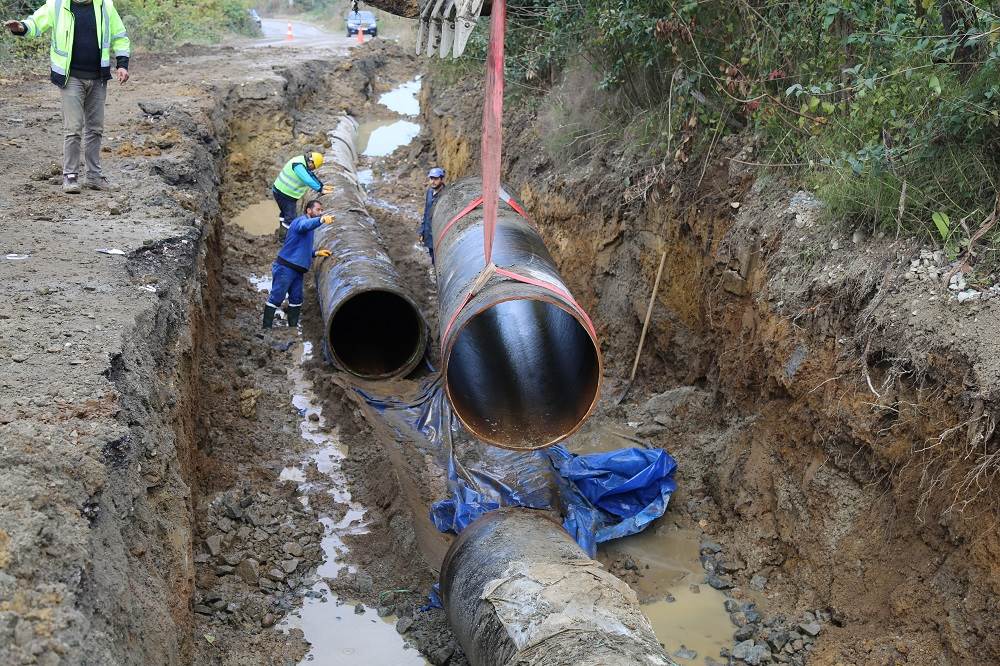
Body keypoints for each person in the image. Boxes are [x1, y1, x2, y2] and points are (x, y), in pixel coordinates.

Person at [5, 0, 131, 194]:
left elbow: (120, 35)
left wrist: (122, 64)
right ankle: (70, 176)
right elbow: (35, 23)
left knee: (95, 129)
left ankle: (94, 176)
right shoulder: (57, 4)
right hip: (70, 77)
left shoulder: (105, 5)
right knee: (73, 129)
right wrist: (21, 27)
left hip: (98, 78)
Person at [263, 199, 335, 329]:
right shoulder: (300, 222)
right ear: (308, 210)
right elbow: (304, 226)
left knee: (296, 299)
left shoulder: (309, 227)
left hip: (298, 271)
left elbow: (301, 247)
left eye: (321, 211)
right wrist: (321, 220)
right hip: (286, 267)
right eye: (318, 210)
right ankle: (266, 328)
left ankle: (292, 328)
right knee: (277, 297)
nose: (320, 212)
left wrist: (316, 253)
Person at [272, 151, 333, 239]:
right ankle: (286, 238)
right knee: (290, 218)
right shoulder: (298, 166)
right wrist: (320, 189)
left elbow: (311, 175)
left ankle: (282, 233)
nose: (313, 169)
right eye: (314, 167)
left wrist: (322, 186)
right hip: (285, 195)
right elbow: (307, 179)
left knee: (284, 213)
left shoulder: (303, 162)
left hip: (280, 191)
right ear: (311, 162)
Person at [420, 166, 445, 262]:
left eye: (436, 179)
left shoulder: (445, 195)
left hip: (439, 234)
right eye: (431, 178)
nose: (433, 181)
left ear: (441, 179)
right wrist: (422, 231)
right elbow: (426, 213)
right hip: (429, 232)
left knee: (439, 258)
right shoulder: (430, 192)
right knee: (432, 256)